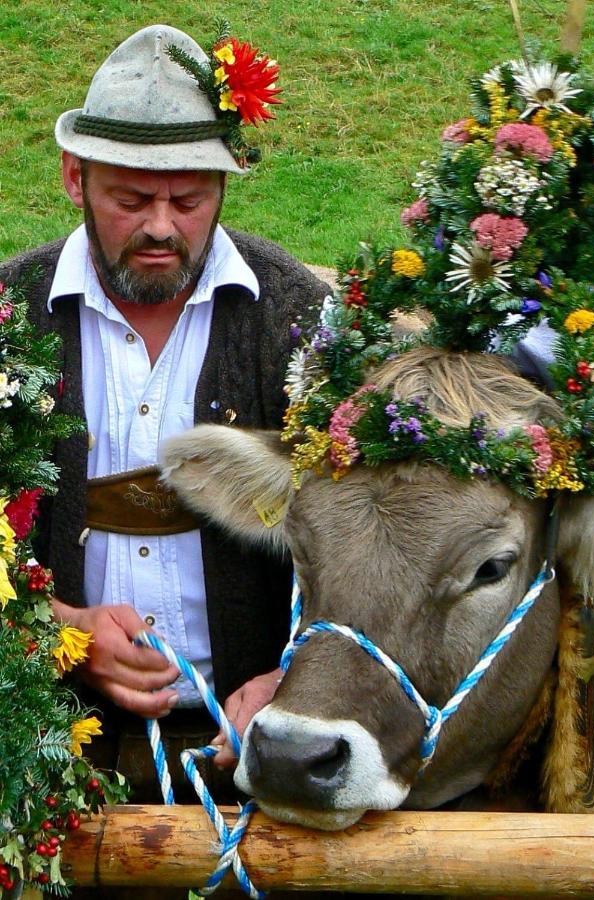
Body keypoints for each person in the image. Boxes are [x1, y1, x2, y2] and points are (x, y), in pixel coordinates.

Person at [0, 22, 328, 808]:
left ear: (224, 185)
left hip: (253, 758)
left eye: (189, 200)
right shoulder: (10, 315)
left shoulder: (297, 319)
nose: (160, 227)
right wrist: (58, 633)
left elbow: (372, 531)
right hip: (44, 747)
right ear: (74, 178)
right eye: (130, 198)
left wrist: (300, 678)